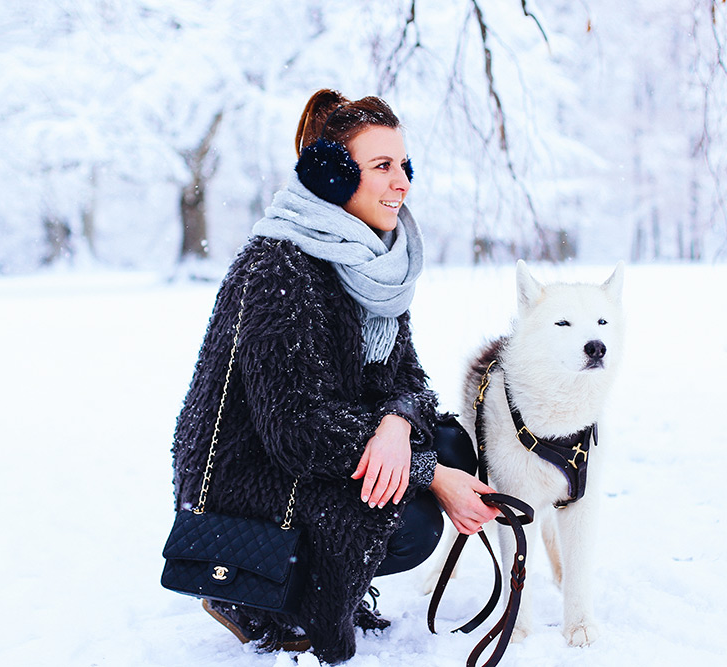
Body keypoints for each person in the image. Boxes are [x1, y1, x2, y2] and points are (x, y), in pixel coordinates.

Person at [171, 88, 500, 664]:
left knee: (450, 442)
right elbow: (295, 430)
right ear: (329, 177)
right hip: (245, 475)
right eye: (382, 167)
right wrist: (427, 473)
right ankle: (272, 599)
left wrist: (398, 424)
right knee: (412, 518)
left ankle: (317, 579)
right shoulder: (277, 267)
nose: (402, 183)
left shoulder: (372, 263)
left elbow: (409, 376)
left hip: (313, 444)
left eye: (404, 166)